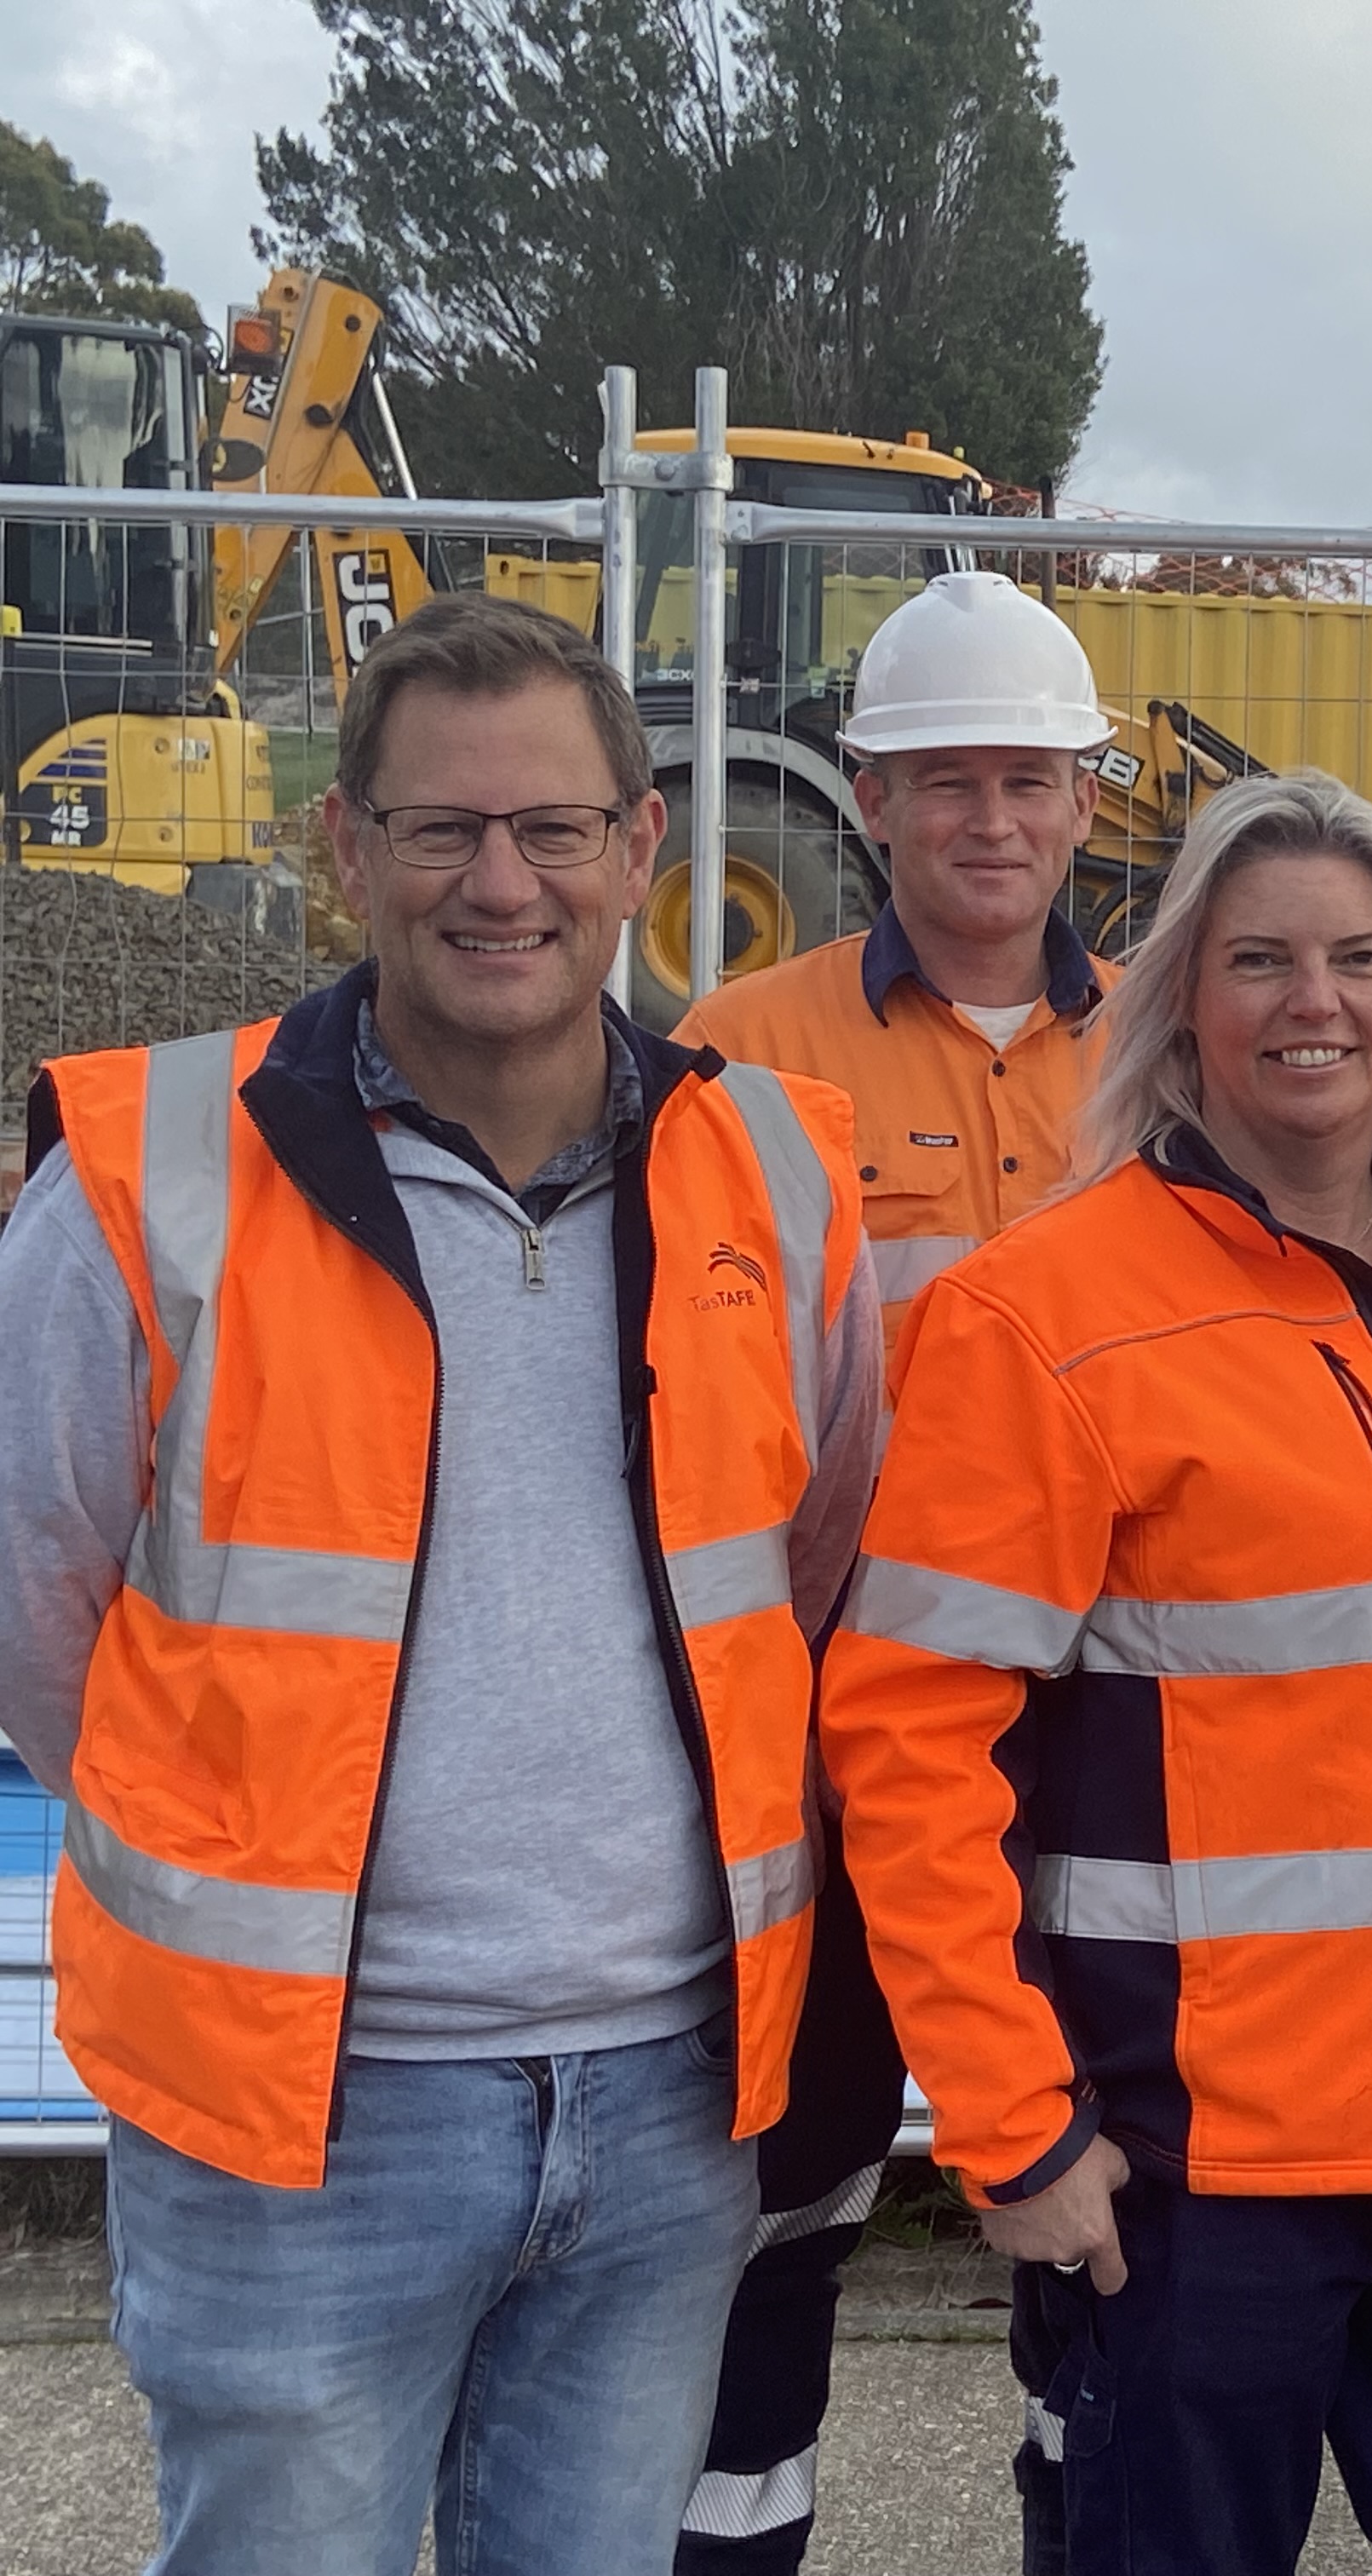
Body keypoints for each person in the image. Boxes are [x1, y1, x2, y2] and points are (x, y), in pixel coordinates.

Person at [0, 594, 878, 2573]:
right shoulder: (151, 1177)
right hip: (306, 2111)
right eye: (441, 831)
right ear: (349, 853)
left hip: (668, 2094)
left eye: (556, 830)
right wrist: (234, 1813)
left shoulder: (775, 1178)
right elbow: (33, 1613)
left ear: (641, 849)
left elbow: (806, 1566)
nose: (505, 883)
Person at [818, 769, 1372, 2576]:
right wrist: (1010, 2124)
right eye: (1262, 959)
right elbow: (908, 1739)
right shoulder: (1042, 1317)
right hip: (1193, 2182)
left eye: (1364, 960)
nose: (1318, 1004)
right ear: (1181, 1003)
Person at [667, 566, 1121, 2573]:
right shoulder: (739, 1051)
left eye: (1029, 780)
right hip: (836, 1732)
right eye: (948, 782)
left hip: (1108, 1728)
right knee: (778, 2203)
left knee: (1102, 2198)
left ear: (1090, 804)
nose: (992, 822)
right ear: (866, 797)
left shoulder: (1182, 1044)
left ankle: (1085, 2513)